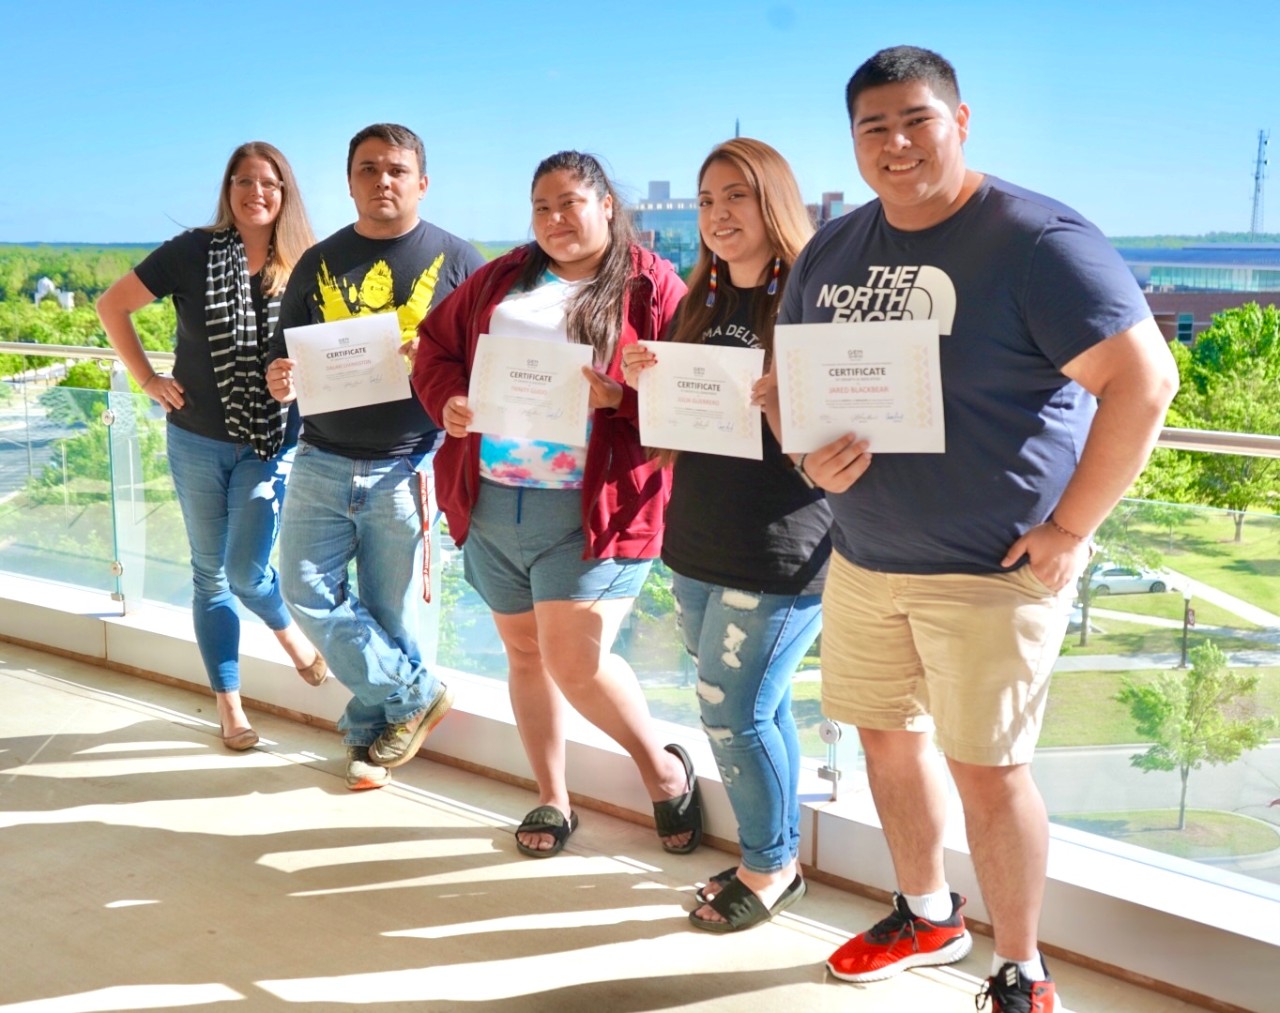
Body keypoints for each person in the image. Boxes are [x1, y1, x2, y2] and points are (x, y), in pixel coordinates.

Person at [777, 47, 1178, 1011]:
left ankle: (1024, 967)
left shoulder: (1037, 241)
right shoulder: (835, 248)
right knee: (883, 741)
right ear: (854, 143)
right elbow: (800, 390)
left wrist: (1071, 528)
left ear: (962, 121)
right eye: (874, 127)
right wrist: (805, 457)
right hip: (866, 555)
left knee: (990, 775)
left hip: (992, 567)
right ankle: (926, 913)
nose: (897, 143)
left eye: (917, 119)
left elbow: (1145, 381)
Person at [414, 151, 701, 859]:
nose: (554, 219)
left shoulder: (651, 284)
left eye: (570, 202)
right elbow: (434, 348)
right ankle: (551, 795)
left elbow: (694, 389)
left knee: (576, 659)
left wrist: (621, 397)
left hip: (593, 507)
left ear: (606, 203)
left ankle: (663, 772)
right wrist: (446, 401)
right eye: (542, 207)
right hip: (492, 500)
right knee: (523, 654)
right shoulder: (502, 278)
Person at [621, 138, 828, 931]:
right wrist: (650, 381)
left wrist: (788, 403)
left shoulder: (810, 302)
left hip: (779, 546)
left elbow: (842, 436)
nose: (718, 215)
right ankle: (774, 850)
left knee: (730, 711)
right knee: (754, 711)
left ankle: (771, 866)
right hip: (699, 538)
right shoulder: (699, 303)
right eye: (708, 201)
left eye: (736, 196)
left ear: (774, 200)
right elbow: (678, 429)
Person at [265, 123, 485, 790]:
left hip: (409, 462)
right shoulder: (319, 261)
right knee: (302, 590)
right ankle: (414, 693)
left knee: (390, 614)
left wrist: (442, 362)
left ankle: (369, 739)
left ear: (422, 182)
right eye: (368, 169)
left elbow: (490, 361)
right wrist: (283, 378)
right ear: (350, 181)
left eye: (396, 169)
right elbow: (287, 353)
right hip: (321, 458)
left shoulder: (459, 259)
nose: (382, 180)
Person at [98, 142, 323, 752]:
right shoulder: (193, 252)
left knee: (247, 571)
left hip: (271, 440)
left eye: (269, 183)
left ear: (285, 192)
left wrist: (299, 378)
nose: (257, 192)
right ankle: (231, 708)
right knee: (209, 574)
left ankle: (290, 635)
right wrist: (146, 379)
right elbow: (112, 304)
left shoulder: (308, 262)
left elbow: (325, 350)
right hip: (195, 438)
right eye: (244, 181)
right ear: (228, 189)